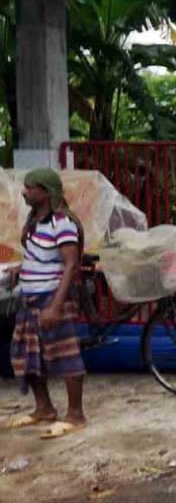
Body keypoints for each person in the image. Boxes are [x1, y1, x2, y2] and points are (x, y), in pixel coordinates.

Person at [4, 168, 87, 439]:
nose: (24, 192)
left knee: (65, 355)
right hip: (30, 298)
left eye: (30, 188)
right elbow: (41, 256)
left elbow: (71, 264)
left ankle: (75, 415)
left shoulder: (62, 223)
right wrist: (22, 269)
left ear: (45, 192)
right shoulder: (35, 221)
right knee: (26, 354)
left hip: (52, 298)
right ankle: (44, 409)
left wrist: (55, 306)